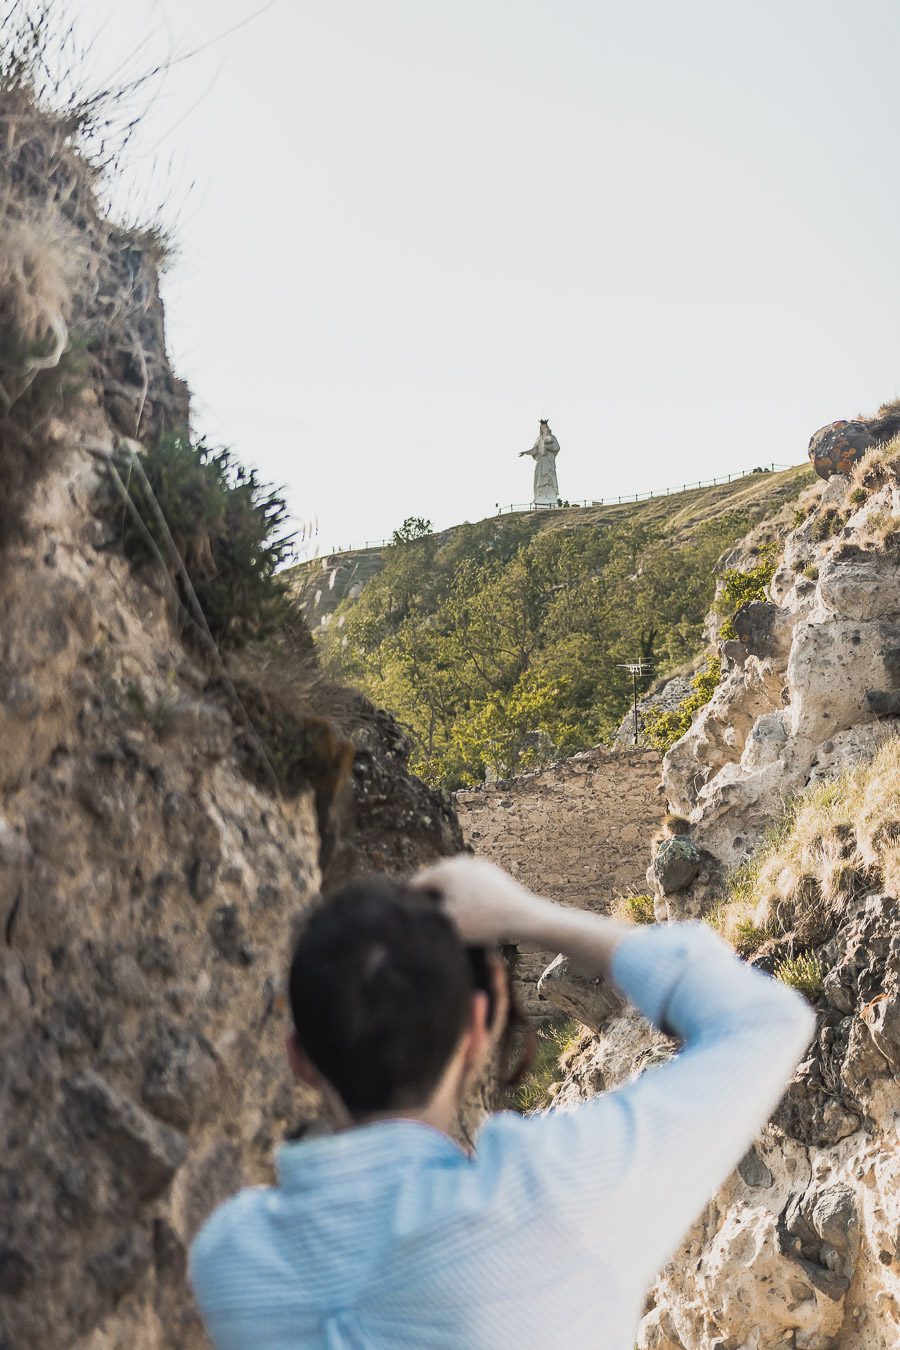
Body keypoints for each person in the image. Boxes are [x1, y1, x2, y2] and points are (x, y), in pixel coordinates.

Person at [190, 857, 814, 1349]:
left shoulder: (230, 1259)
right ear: (478, 1031)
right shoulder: (553, 1199)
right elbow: (763, 1020)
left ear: (298, 1058)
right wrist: (526, 914)